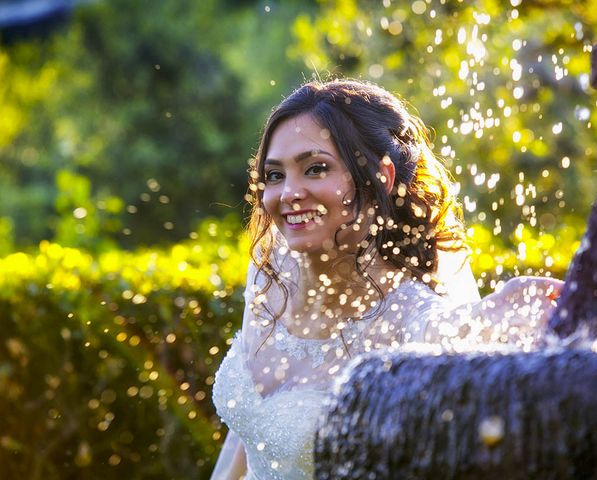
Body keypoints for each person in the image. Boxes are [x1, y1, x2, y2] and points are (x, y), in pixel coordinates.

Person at [211, 79, 562, 480]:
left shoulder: (411, 318)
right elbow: (251, 429)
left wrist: (504, 310)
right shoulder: (270, 267)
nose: (289, 193)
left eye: (316, 169)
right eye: (275, 175)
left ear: (382, 175)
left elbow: (461, 338)